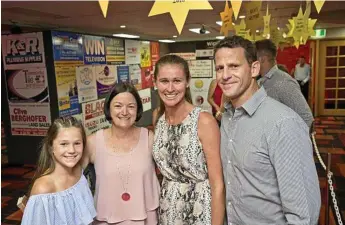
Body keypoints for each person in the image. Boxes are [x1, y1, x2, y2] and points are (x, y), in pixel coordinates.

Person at [214, 36, 320, 225]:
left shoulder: (283, 123)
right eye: (220, 68)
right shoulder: (228, 117)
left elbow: (303, 214)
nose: (225, 75)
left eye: (234, 66)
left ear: (254, 68)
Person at [152, 54, 225, 225]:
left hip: (199, 211)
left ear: (187, 82)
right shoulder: (158, 118)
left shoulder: (204, 121)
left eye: (177, 80)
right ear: (155, 83)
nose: (170, 88)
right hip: (167, 211)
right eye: (164, 81)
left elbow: (218, 185)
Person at [82, 82, 160, 225]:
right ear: (108, 108)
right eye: (118, 106)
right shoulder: (93, 142)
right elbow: (70, 176)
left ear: (138, 110)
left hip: (145, 218)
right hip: (106, 219)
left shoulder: (149, 138)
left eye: (131, 106)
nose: (124, 112)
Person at [21, 117, 96, 225]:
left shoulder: (79, 172)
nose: (72, 150)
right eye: (64, 144)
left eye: (77, 143)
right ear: (51, 147)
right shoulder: (44, 188)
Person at [255, 39, 314, 129]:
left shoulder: (283, 82)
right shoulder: (260, 81)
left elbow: (306, 118)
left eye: (251, 58)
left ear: (261, 59)